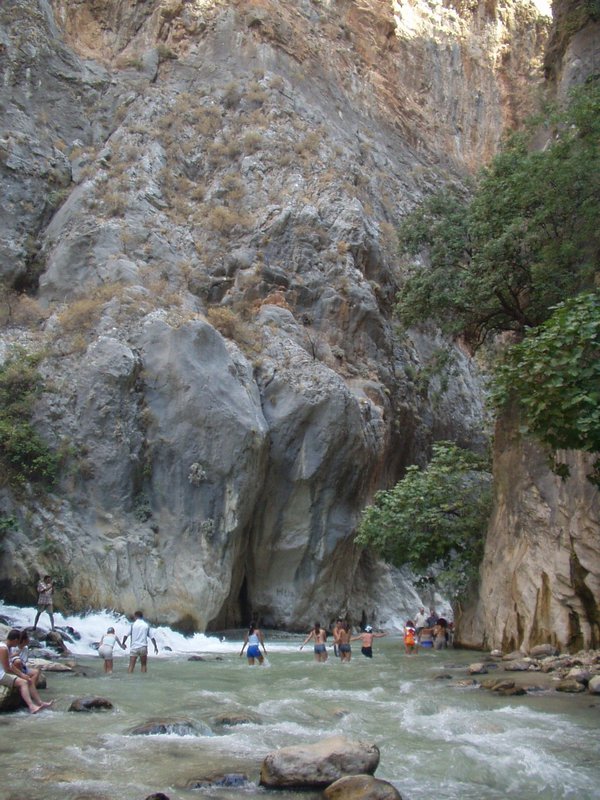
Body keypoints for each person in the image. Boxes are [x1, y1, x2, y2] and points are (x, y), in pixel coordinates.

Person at [1, 629, 52, 713]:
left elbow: (10, 665)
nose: (19, 643)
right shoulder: (3, 648)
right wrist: (21, 675)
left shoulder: (7, 647)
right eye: (19, 641)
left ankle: (40, 703)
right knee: (23, 682)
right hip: (1, 675)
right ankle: (31, 707)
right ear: (15, 640)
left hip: (3, 672)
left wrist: (22, 675)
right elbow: (7, 668)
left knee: (29, 680)